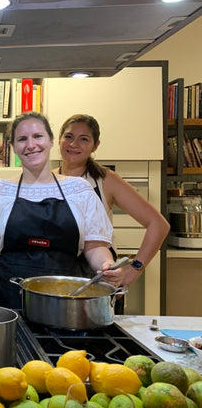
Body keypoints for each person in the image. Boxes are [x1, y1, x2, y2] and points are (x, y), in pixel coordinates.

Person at [0, 112, 124, 309]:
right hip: (8, 301)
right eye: (22, 139)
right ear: (13, 147)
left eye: (37, 136)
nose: (30, 144)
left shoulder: (79, 191)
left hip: (67, 302)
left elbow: (95, 247)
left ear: (51, 141)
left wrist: (107, 267)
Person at [55, 113, 170, 289]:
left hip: (97, 282)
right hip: (54, 278)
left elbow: (159, 224)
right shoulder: (46, 180)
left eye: (83, 139)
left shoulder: (106, 180)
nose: (73, 144)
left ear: (95, 146)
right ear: (59, 140)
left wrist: (135, 268)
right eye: (68, 137)